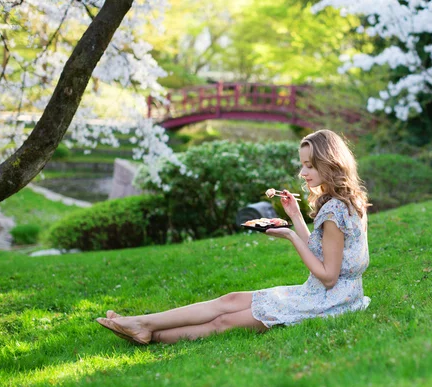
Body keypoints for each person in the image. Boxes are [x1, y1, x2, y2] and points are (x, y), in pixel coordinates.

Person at [96, 129, 371, 345]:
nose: (302, 173)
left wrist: (290, 235)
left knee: (224, 322)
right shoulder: (347, 200)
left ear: (329, 162)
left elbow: (328, 275)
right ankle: (142, 322)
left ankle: (148, 332)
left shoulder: (335, 211)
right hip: (327, 294)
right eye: (303, 165)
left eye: (309, 165)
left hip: (328, 301)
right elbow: (324, 252)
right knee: (229, 300)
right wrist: (296, 216)